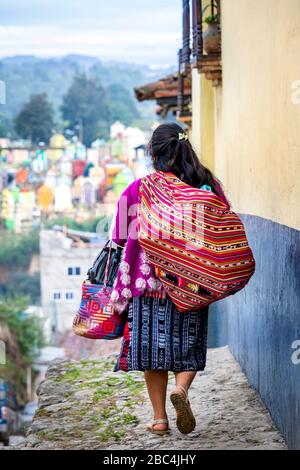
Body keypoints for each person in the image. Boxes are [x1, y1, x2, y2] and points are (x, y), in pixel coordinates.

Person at [109, 122, 230, 436]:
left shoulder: (138, 189)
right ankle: (182, 390)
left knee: (152, 351)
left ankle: (160, 418)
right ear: (186, 146)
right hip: (193, 280)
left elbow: (119, 234)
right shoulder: (207, 185)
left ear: (153, 151)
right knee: (189, 345)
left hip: (148, 284)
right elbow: (223, 222)